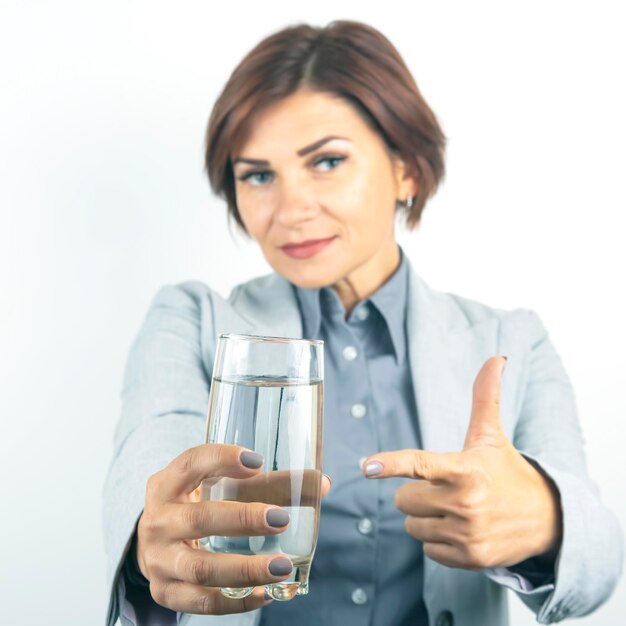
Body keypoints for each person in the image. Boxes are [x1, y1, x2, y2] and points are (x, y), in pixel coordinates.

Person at [102, 19, 623, 626]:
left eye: (325, 161)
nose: (291, 208)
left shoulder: (511, 340)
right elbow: (145, 480)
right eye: (259, 175)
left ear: (408, 169)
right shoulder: (191, 321)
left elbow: (600, 564)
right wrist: (154, 542)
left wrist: (547, 523)